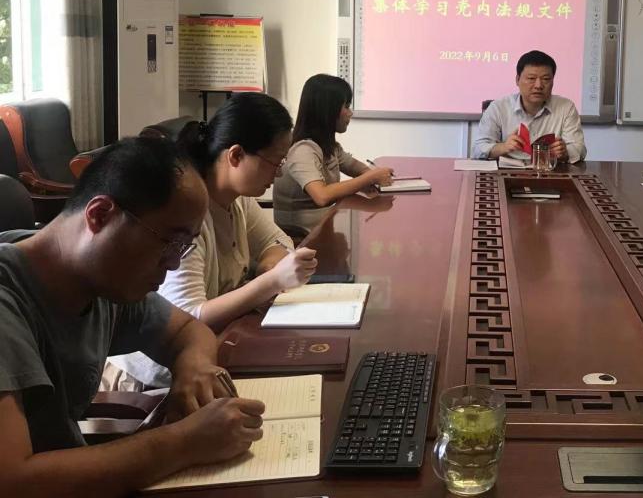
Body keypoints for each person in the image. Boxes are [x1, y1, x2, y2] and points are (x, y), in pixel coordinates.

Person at [0, 137, 265, 495]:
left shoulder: (101, 280)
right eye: (169, 243)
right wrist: (184, 442)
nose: (174, 264)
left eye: (184, 247)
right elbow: (12, 480)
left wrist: (195, 369)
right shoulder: (9, 302)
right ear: (100, 215)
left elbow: (187, 330)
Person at [108, 93, 334, 388]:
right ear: (236, 155)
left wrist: (269, 265)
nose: (278, 173)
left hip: (218, 349)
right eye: (274, 162)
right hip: (157, 380)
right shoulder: (188, 215)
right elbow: (187, 318)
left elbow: (277, 240)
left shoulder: (238, 199)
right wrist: (272, 281)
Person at [274, 74, 395, 230]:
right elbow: (322, 196)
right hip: (300, 232)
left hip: (322, 222)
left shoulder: (329, 146)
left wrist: (371, 177)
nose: (350, 113)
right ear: (328, 110)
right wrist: (369, 178)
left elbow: (357, 169)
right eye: (346, 106)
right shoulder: (303, 149)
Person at [473, 50, 587, 163]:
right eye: (531, 78)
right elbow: (478, 149)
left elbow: (580, 149)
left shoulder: (566, 107)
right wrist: (503, 147)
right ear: (517, 80)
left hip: (549, 170)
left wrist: (565, 152)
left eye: (546, 79)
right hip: (507, 171)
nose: (538, 85)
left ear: (553, 81)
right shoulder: (498, 108)